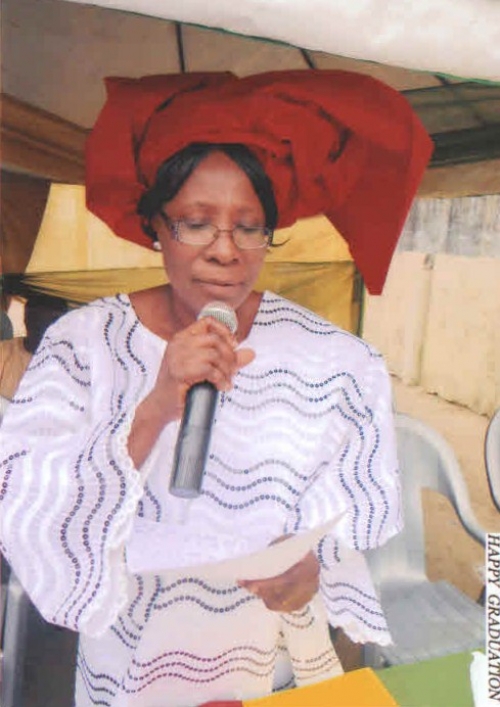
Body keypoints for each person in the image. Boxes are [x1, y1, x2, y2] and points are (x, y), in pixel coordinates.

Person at [0, 70, 433, 707]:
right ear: (154, 225)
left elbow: (353, 505)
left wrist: (315, 566)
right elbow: (30, 500)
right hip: (129, 670)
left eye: (250, 226)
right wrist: (156, 406)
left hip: (271, 668)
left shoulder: (333, 360)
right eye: (196, 223)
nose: (225, 251)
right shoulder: (83, 345)